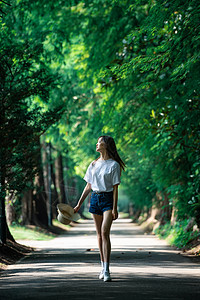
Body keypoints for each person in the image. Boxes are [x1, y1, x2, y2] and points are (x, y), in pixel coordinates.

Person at [74, 135, 125, 282]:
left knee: (104, 232)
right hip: (95, 199)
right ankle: (102, 267)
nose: (96, 144)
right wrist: (79, 204)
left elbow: (115, 189)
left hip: (108, 199)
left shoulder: (114, 165)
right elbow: (88, 186)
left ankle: (107, 269)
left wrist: (115, 208)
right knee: (98, 235)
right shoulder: (93, 164)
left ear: (106, 145)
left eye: (99, 142)